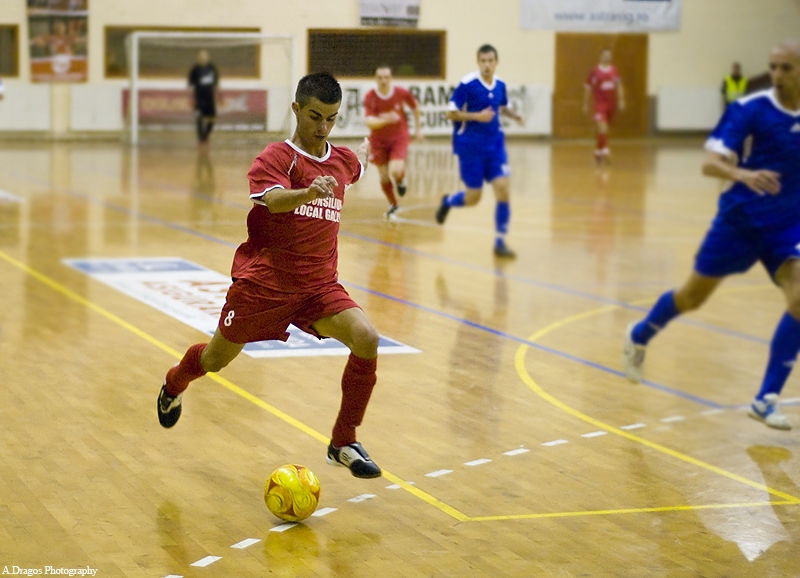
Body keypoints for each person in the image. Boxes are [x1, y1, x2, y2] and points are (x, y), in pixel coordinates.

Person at [157, 72, 383, 479]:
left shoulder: (343, 161)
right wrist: (309, 193)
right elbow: (274, 201)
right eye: (315, 116)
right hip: (265, 286)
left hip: (318, 287)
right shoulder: (277, 157)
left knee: (366, 337)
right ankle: (175, 382)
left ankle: (343, 440)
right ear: (296, 109)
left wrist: (366, 154)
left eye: (331, 119)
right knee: (214, 359)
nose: (322, 127)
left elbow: (357, 167)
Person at [623, 41, 800, 430]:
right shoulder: (750, 109)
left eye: (786, 68)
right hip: (741, 221)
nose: (777, 76)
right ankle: (639, 333)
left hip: (787, 226)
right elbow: (709, 164)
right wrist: (744, 174)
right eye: (773, 67)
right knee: (692, 297)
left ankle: (766, 398)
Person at [435, 44, 524, 259]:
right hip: (470, 147)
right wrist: (476, 116)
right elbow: (450, 113)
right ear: (478, 62)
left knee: (503, 189)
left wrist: (514, 116)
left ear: (496, 62)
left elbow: (501, 106)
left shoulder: (500, 85)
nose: (486, 65)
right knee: (474, 197)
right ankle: (448, 202)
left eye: (490, 61)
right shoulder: (468, 84)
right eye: (483, 61)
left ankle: (500, 242)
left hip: (495, 146)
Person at [363, 65, 422, 219]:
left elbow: (415, 107)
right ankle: (393, 204)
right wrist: (386, 119)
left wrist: (417, 129)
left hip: (398, 137)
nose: (383, 80)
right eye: (380, 77)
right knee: (383, 177)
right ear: (376, 79)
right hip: (378, 141)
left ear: (390, 79)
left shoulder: (400, 93)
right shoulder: (371, 96)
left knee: (395, 171)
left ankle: (401, 180)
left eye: (386, 77)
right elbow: (369, 121)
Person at [583, 49, 625, 165]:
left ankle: (598, 152)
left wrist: (621, 100)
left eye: (609, 56)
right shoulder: (595, 71)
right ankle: (606, 151)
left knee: (604, 130)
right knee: (602, 127)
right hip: (599, 104)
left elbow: (619, 85)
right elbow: (587, 87)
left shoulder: (614, 70)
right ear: (600, 56)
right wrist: (585, 103)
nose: (607, 57)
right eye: (605, 55)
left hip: (611, 105)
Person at [188, 50, 219, 145]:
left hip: (210, 98)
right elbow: (190, 85)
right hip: (199, 98)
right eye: (201, 56)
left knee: (212, 118)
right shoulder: (195, 70)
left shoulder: (212, 68)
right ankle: (201, 138)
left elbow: (216, 84)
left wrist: (219, 97)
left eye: (205, 56)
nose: (203, 58)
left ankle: (205, 135)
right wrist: (191, 98)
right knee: (199, 117)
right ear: (199, 58)